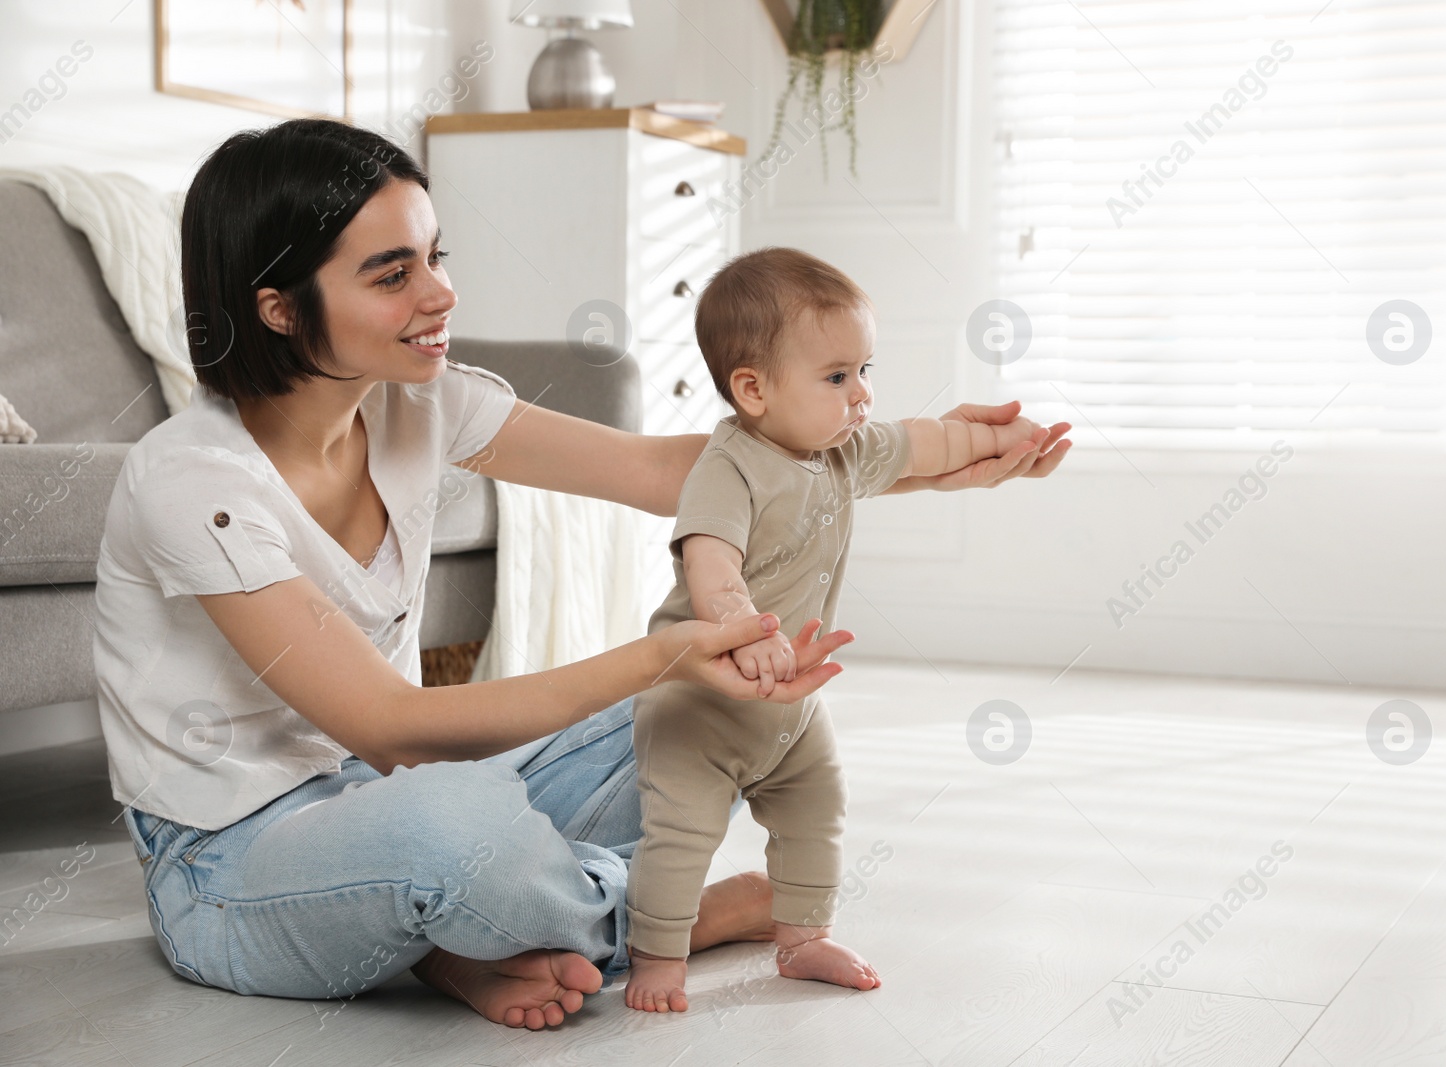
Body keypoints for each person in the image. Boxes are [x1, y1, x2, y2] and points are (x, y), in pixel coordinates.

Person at [91, 117, 1073, 1032]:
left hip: (380, 792)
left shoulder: (421, 407)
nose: (440, 294)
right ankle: (669, 909)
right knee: (457, 825)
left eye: (436, 256)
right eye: (391, 274)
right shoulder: (192, 482)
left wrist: (939, 460)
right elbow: (387, 723)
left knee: (716, 715)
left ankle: (460, 936)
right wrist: (663, 655)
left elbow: (664, 471)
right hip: (225, 865)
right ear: (276, 307)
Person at [624, 248, 1046, 1012]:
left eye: (865, 370)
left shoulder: (842, 452)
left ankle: (802, 936)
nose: (862, 395)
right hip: (699, 700)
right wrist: (741, 629)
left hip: (790, 703)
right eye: (837, 376)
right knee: (681, 836)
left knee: (819, 806)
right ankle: (657, 954)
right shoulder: (730, 466)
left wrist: (1005, 442)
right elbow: (709, 562)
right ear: (752, 389)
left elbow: (928, 443)